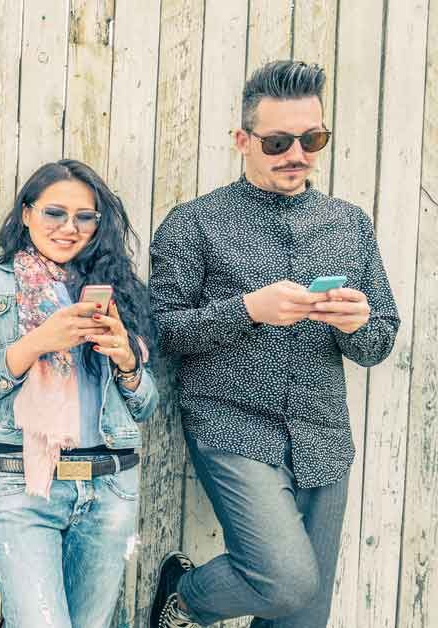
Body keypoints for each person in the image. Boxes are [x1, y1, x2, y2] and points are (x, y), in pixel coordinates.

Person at [147, 60, 400, 628]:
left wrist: (359, 325)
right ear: (242, 141)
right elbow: (164, 331)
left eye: (313, 139)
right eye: (278, 141)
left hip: (324, 432)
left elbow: (380, 338)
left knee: (302, 619)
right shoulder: (195, 223)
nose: (298, 154)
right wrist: (248, 311)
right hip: (231, 423)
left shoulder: (350, 224)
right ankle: (185, 599)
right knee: (285, 580)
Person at [0, 159, 159, 627]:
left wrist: (126, 360)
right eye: (54, 213)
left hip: (110, 487)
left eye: (85, 217)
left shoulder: (117, 291)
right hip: (25, 487)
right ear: (26, 214)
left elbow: (147, 404)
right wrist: (40, 341)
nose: (70, 228)